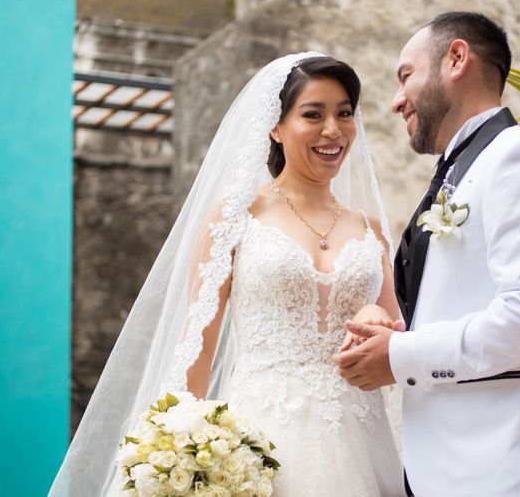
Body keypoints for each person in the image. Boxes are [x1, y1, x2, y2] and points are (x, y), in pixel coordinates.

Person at [50, 53, 404, 496]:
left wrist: (373, 315)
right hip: (264, 438)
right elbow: (198, 344)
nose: (333, 130)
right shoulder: (236, 217)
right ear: (275, 126)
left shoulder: (370, 230)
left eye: (345, 113)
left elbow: (397, 343)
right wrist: (182, 444)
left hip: (363, 440)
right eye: (313, 114)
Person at [334, 12, 520, 496]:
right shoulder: (463, 169)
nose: (397, 101)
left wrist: (401, 355)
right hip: (453, 470)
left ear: (456, 59)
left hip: (514, 472)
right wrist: (394, 329)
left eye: (406, 76)